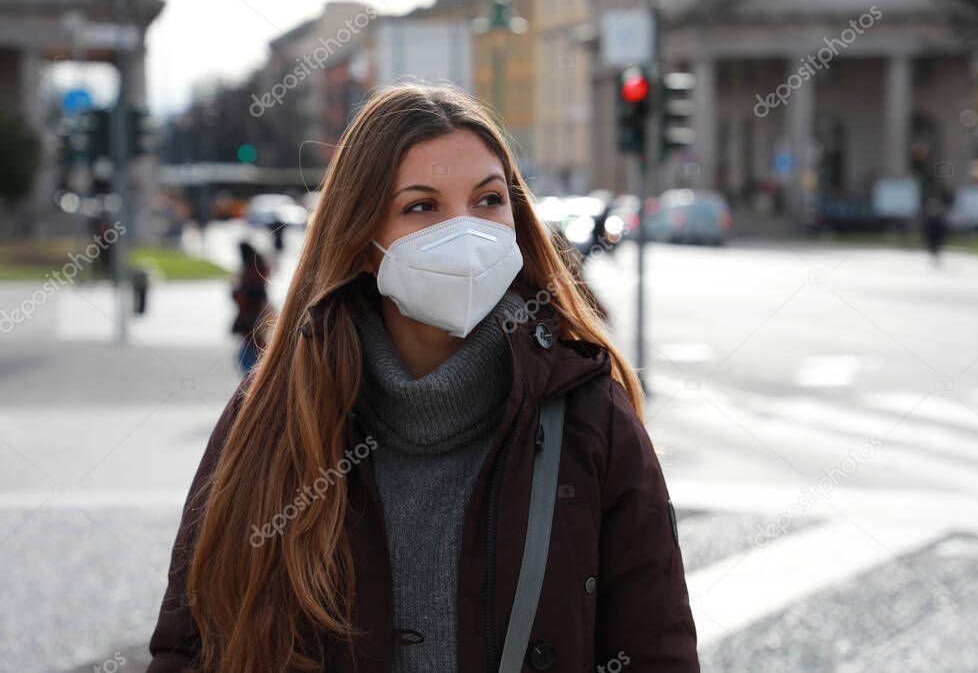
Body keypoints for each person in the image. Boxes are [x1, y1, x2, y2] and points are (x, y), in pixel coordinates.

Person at [147, 83, 699, 672]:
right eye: (421, 206)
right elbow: (191, 646)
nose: (465, 232)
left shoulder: (589, 412)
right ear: (362, 240)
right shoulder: (273, 411)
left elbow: (655, 650)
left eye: (488, 200)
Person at [231, 241, 270, 374]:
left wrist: (237, 292)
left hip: (251, 315)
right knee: (252, 348)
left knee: (250, 350)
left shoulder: (251, 271)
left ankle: (254, 378)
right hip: (254, 314)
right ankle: (255, 376)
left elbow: (253, 294)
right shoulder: (257, 268)